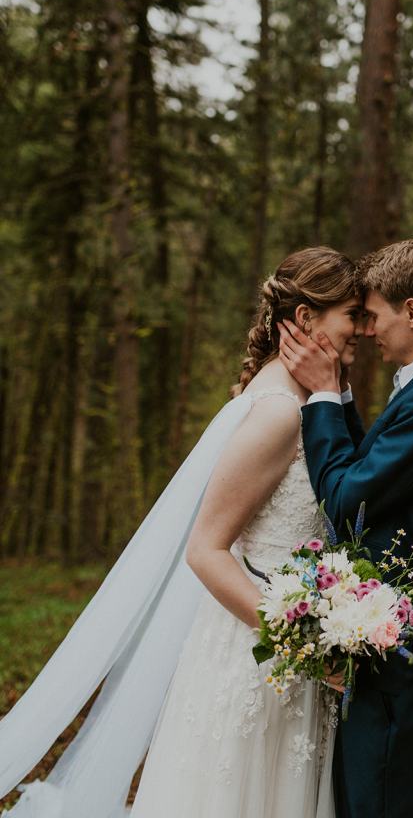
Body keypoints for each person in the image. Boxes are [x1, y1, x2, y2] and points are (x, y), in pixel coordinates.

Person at [0, 246, 363, 818]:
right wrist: (305, 646)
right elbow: (206, 550)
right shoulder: (278, 413)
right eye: (351, 315)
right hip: (258, 654)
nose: (363, 329)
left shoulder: (307, 402)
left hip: (281, 647)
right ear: (304, 319)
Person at [278, 239, 413, 818]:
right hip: (383, 646)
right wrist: (340, 393)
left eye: (374, 315)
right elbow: (379, 473)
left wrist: (320, 396)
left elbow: (350, 499)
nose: (367, 330)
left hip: (401, 663)